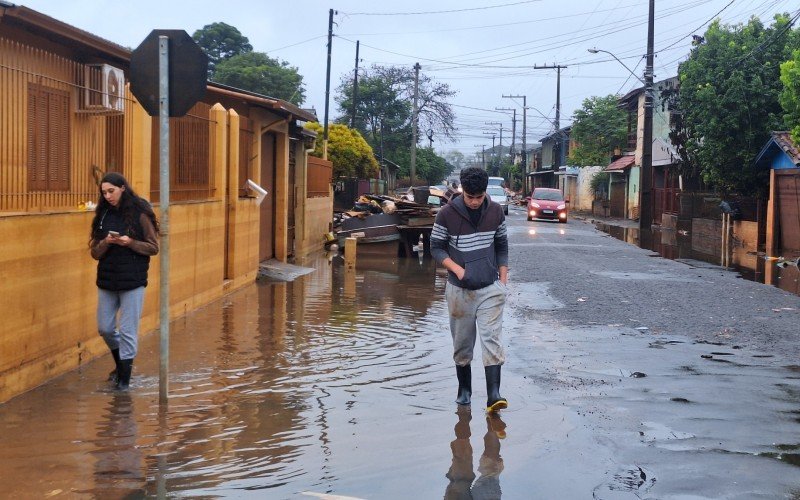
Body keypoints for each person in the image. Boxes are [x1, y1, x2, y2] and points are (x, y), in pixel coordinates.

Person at [431, 167, 509, 412]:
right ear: (463, 191)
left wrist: (503, 281)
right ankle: (464, 391)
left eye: (479, 196)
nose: (475, 202)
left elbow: (502, 245)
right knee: (462, 344)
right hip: (459, 290)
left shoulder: (496, 212)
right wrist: (458, 270)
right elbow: (436, 247)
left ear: (485, 192)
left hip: (490, 289)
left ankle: (493, 395)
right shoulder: (446, 214)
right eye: (470, 197)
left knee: (491, 339)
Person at [89, 173, 159, 390]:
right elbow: (94, 252)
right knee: (105, 328)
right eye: (104, 192)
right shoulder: (102, 215)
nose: (108, 196)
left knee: (128, 331)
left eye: (111, 191)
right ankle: (120, 365)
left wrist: (130, 242)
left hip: (133, 281)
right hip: (108, 281)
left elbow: (153, 247)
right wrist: (107, 242)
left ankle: (124, 384)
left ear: (122, 188)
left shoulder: (140, 213)